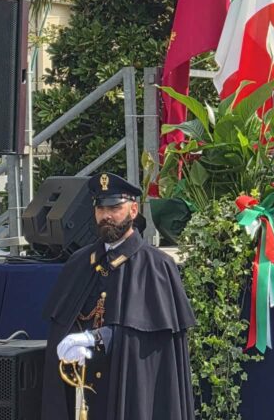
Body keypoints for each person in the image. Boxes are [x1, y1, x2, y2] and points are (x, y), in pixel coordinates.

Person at [41, 173, 196, 420]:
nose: (106, 216)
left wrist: (99, 338)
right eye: (100, 208)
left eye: (114, 208)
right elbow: (63, 321)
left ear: (133, 210)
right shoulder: (80, 262)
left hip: (131, 394)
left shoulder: (156, 266)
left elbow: (153, 346)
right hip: (84, 392)